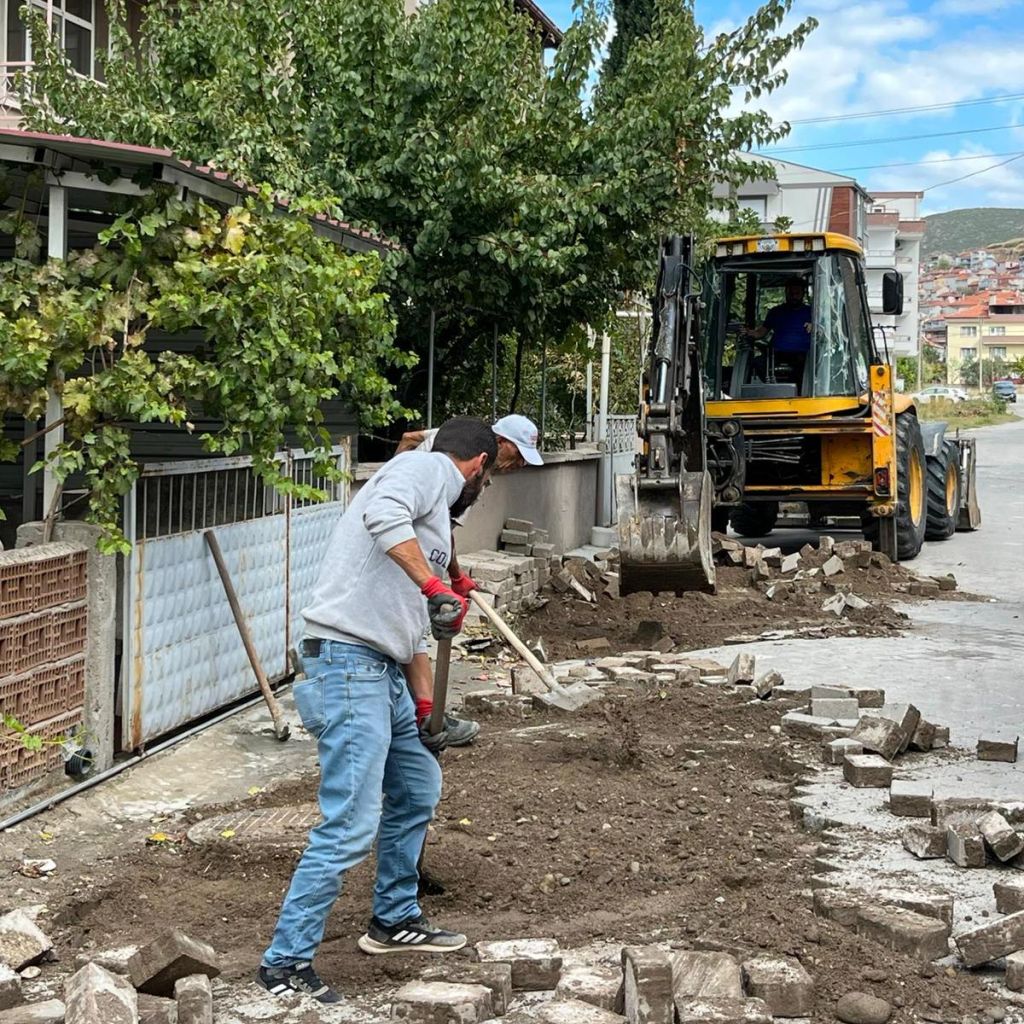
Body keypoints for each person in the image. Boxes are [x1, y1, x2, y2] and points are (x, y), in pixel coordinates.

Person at [258, 418, 498, 1005]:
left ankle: (394, 918)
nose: (481, 490)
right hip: (347, 665)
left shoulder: (431, 519)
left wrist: (426, 707)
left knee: (417, 786)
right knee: (350, 822)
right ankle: (284, 962)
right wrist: (435, 588)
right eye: (487, 479)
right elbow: (382, 513)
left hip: (383, 669)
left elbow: (412, 632)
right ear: (478, 465)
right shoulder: (426, 469)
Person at [397, 414, 543, 748]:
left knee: (413, 632)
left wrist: (455, 576)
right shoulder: (464, 461)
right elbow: (438, 524)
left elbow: (409, 438)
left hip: (417, 543)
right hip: (407, 546)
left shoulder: (454, 440)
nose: (520, 464)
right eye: (518, 454)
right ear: (500, 442)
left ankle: (424, 715)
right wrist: (393, 478)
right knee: (408, 629)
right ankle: (420, 716)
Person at [742, 278, 813, 385]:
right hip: (777, 354)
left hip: (802, 354)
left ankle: (797, 391)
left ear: (803, 293)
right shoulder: (776, 311)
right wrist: (749, 332)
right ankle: (775, 386)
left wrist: (814, 326)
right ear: (786, 292)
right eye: (791, 293)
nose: (794, 296)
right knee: (757, 362)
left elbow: (822, 330)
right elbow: (761, 332)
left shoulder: (811, 312)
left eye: (797, 293)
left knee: (805, 369)